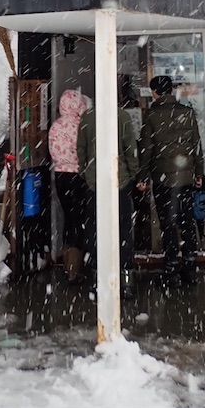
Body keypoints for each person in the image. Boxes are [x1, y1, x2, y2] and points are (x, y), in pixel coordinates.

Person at [137, 75, 204, 288]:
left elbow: (146, 150)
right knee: (187, 222)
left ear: (155, 92)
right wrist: (198, 173)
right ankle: (190, 270)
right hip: (185, 178)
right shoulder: (187, 112)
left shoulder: (152, 116)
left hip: (163, 179)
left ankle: (171, 270)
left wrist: (142, 178)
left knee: (168, 224)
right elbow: (196, 146)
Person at [77, 101, 140, 298]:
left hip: (95, 183)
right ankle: (126, 281)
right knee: (124, 232)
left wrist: (86, 173)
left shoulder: (87, 118)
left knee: (95, 231)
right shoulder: (122, 116)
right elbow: (131, 149)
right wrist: (132, 174)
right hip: (119, 182)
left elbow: (81, 150)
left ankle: (98, 280)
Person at [48, 89, 90, 282]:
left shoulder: (55, 126)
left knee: (68, 218)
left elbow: (52, 151)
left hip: (61, 176)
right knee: (80, 220)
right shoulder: (83, 125)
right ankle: (76, 268)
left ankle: (68, 264)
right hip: (79, 176)